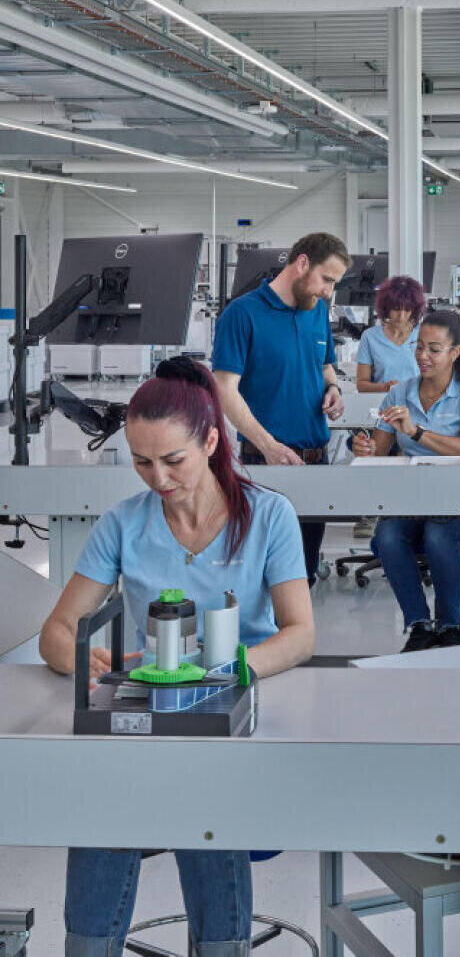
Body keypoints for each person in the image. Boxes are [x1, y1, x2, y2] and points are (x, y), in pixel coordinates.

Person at [38, 357, 315, 957]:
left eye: (172, 460)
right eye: (141, 462)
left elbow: (299, 634)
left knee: (207, 807)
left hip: (233, 717)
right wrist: (85, 657)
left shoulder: (269, 517)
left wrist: (226, 668)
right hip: (148, 712)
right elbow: (58, 630)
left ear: (212, 441)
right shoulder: (123, 523)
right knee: (102, 811)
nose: (156, 478)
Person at [212, 230, 350, 586]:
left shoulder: (317, 311)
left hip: (315, 460)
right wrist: (268, 445)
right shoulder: (241, 314)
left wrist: (333, 387)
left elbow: (324, 364)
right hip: (264, 464)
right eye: (327, 280)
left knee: (303, 577)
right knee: (263, 577)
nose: (328, 292)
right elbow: (225, 390)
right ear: (302, 264)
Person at [354, 306, 460, 651]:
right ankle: (418, 623)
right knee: (387, 535)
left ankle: (450, 624)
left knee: (438, 533)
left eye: (434, 349)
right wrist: (365, 446)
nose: (423, 356)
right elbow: (381, 447)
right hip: (417, 497)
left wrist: (416, 433)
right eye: (419, 347)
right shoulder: (399, 392)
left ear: (455, 352)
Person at [355, 275, 425, 394]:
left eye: (407, 310)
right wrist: (386, 387)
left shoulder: (424, 335)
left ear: (414, 310)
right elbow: (361, 385)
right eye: (396, 309)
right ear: (386, 308)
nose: (401, 316)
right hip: (382, 405)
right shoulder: (370, 337)